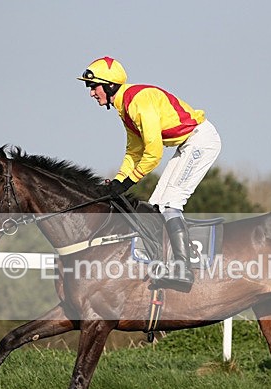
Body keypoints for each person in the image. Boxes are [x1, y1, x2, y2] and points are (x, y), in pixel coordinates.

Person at [77, 56, 221, 291]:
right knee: (157, 205)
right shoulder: (124, 108)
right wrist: (118, 180)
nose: (92, 93)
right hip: (187, 144)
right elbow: (134, 151)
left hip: (201, 142)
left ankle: (183, 268)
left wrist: (128, 182)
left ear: (110, 85)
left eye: (93, 86)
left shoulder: (137, 103)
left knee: (171, 204)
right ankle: (166, 262)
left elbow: (153, 153)